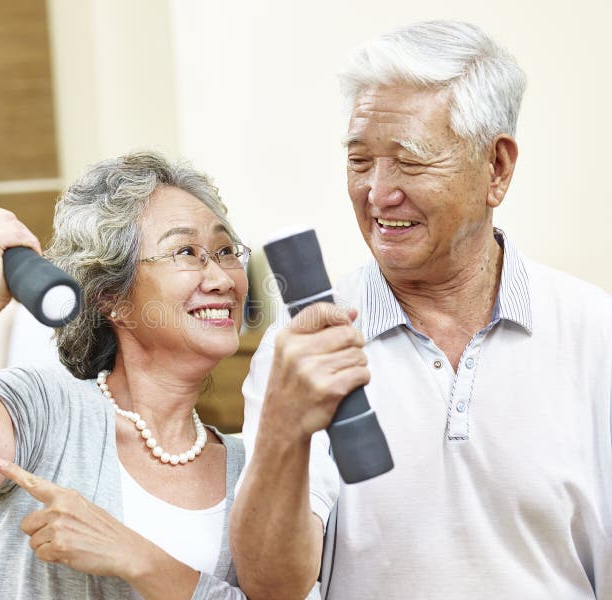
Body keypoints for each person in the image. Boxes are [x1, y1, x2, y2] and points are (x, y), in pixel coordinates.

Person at [229, 20, 612, 600]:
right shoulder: (307, 341)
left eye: (409, 161)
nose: (378, 193)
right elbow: (271, 585)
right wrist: (285, 426)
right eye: (360, 162)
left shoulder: (594, 333)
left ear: (497, 169)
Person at [0, 151, 251, 599]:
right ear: (112, 297)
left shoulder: (248, 466)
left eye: (226, 252)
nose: (222, 278)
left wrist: (134, 556)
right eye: (186, 252)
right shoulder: (42, 409)